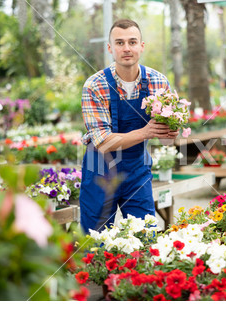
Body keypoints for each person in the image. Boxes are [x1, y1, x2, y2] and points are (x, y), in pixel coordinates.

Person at [79, 19, 178, 233]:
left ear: (142, 46)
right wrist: (146, 132)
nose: (126, 48)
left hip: (137, 170)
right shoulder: (95, 85)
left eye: (132, 42)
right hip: (99, 171)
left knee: (145, 236)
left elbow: (167, 140)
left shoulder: (158, 82)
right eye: (120, 43)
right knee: (95, 243)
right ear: (110, 48)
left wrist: (170, 131)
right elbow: (103, 142)